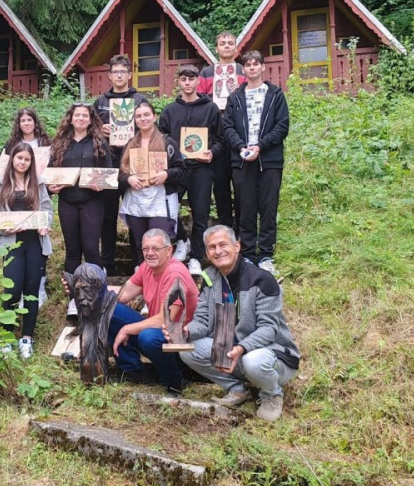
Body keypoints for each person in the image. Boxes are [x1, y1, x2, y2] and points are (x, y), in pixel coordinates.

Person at [176, 225, 300, 422]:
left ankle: (272, 394)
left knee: (253, 360)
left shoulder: (261, 279)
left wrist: (241, 348)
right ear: (207, 252)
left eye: (223, 244)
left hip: (273, 356)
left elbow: (269, 329)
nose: (218, 251)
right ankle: (237, 389)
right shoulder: (210, 278)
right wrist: (185, 332)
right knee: (188, 350)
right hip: (234, 353)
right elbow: (202, 321)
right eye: (212, 247)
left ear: (237, 246)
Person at [222, 51, 290, 276]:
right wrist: (241, 146)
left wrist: (260, 145)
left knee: (269, 207)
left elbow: (282, 126)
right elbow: (227, 127)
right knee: (245, 208)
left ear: (263, 67)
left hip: (269, 159)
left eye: (255, 64)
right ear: (243, 69)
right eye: (248, 65)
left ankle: (266, 255)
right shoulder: (235, 97)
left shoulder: (275, 95)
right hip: (241, 160)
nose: (251, 68)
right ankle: (249, 255)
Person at [107, 229, 199, 395]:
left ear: (169, 250)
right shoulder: (147, 267)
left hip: (180, 336)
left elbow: (164, 320)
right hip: (159, 329)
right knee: (108, 308)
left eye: (156, 248)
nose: (150, 253)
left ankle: (175, 379)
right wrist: (93, 291)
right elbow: (122, 295)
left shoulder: (175, 274)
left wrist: (126, 329)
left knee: (148, 337)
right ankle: (134, 371)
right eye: (145, 249)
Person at [0, 143, 53, 360]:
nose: (22, 162)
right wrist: (3, 228)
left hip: (35, 243)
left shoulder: (38, 183)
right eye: (19, 158)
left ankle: (26, 339)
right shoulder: (0, 184)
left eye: (27, 159)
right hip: (11, 243)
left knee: (31, 291)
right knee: (12, 290)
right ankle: (6, 338)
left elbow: (47, 210)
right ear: (12, 159)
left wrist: (45, 225)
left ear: (31, 162)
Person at [157, 64, 223, 276]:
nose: (187, 83)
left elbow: (221, 138)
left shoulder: (210, 108)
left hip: (202, 169)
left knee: (200, 214)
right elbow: (161, 138)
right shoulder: (169, 110)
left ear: (198, 81)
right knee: (167, 209)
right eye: (183, 79)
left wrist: (212, 152)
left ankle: (195, 257)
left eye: (191, 79)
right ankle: (182, 240)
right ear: (178, 82)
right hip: (177, 170)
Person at [92, 54, 150, 274]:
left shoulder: (140, 100)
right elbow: (90, 131)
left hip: (133, 163)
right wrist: (100, 130)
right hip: (107, 163)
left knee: (135, 213)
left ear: (129, 74)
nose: (119, 76)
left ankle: (138, 262)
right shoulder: (100, 102)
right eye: (115, 72)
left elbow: (150, 127)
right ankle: (107, 264)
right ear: (109, 75)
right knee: (107, 215)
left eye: (122, 72)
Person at [47, 102, 112, 275]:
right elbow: (50, 173)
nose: (81, 118)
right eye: (77, 115)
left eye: (85, 115)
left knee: (91, 248)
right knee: (72, 250)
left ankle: (97, 289)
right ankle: (72, 291)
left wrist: (102, 185)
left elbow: (109, 173)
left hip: (92, 202)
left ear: (91, 120)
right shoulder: (61, 143)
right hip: (67, 202)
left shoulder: (99, 143)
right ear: (71, 119)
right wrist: (50, 187)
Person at [118, 100, 185, 269]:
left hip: (160, 201)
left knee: (158, 245)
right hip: (136, 201)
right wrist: (128, 179)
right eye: (138, 116)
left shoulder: (167, 142)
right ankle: (144, 280)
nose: (143, 119)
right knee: (141, 246)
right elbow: (120, 174)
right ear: (134, 120)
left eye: (147, 115)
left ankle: (163, 280)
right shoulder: (130, 143)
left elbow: (181, 170)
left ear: (154, 117)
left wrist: (166, 174)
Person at [197, 31, 245, 230]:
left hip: (239, 133)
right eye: (222, 43)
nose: (226, 46)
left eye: (230, 43)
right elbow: (199, 99)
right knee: (220, 183)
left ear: (236, 48)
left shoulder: (243, 70)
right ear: (216, 48)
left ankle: (242, 227)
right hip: (215, 133)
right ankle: (225, 226)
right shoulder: (207, 72)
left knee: (241, 183)